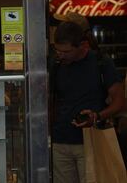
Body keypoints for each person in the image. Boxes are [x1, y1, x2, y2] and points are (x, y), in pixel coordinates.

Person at [51, 21, 125, 183]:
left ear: (82, 46)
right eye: (57, 50)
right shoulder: (55, 64)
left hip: (92, 140)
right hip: (59, 141)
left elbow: (119, 102)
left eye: (66, 51)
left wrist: (96, 116)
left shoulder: (101, 63)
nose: (61, 55)